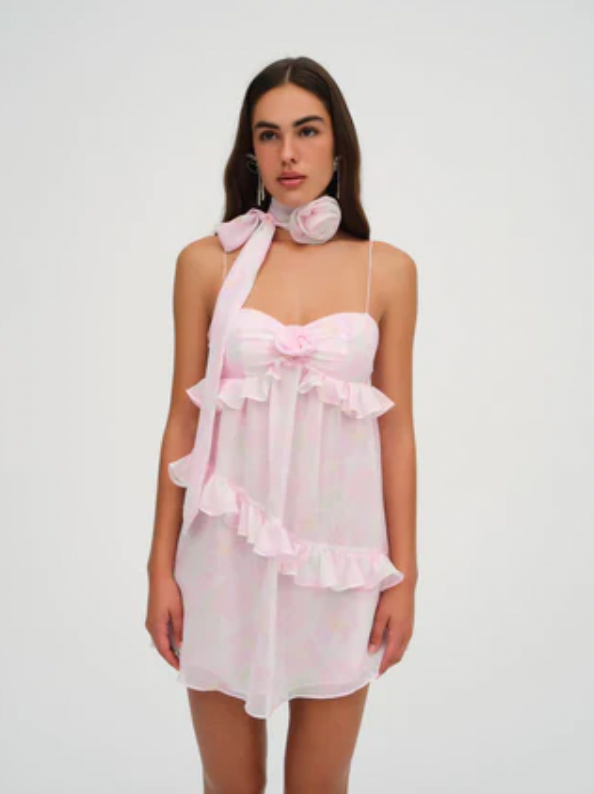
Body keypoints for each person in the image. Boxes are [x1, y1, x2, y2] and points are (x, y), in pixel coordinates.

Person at [146, 55, 418, 794]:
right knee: (229, 786)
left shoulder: (387, 271)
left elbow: (397, 433)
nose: (288, 153)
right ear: (251, 151)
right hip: (222, 559)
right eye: (268, 135)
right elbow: (182, 419)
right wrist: (159, 569)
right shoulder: (206, 264)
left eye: (307, 130)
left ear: (339, 145)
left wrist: (404, 577)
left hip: (340, 562)